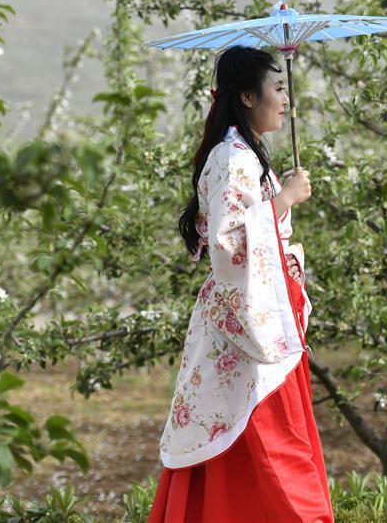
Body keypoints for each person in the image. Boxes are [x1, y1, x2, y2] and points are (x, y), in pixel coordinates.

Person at [149, 46, 332, 522]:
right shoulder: (234, 158)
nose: (286, 100)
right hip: (247, 320)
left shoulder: (246, 154)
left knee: (252, 434)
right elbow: (229, 244)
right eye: (278, 88)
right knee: (270, 436)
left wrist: (281, 198)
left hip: (264, 306)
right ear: (248, 97)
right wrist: (284, 199)